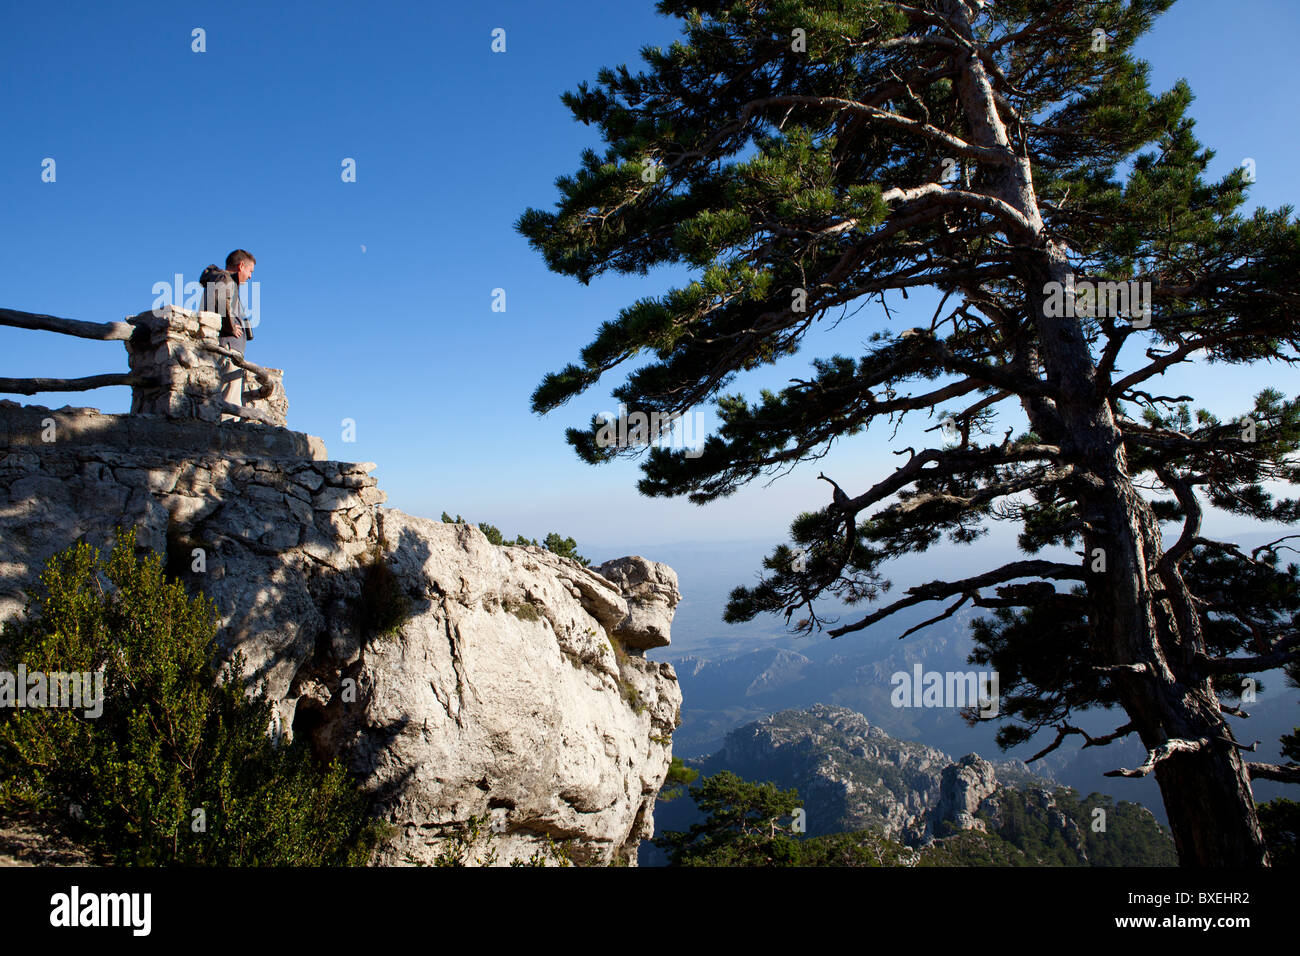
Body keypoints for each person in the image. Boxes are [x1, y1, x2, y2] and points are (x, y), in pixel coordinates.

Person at [200, 250, 256, 422]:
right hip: (229, 348)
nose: (250, 276)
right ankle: (226, 441)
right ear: (241, 266)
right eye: (250, 271)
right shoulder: (227, 281)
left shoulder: (223, 282)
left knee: (225, 393)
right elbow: (218, 298)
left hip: (227, 346)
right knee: (229, 396)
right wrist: (230, 327)